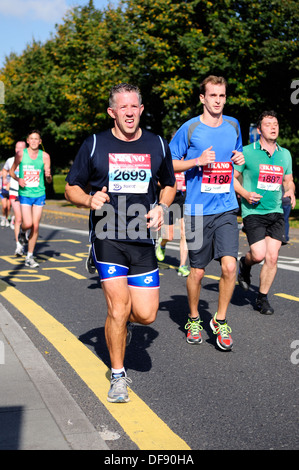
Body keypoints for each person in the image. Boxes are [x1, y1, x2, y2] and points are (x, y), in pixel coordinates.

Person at [65, 83, 176, 403]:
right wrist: (89, 200)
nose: (129, 112)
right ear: (112, 112)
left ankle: (122, 327)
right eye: (122, 107)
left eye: (134, 107)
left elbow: (168, 184)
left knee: (147, 314)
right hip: (107, 236)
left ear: (141, 109)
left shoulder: (157, 143)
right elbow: (71, 187)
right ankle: (117, 375)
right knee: (118, 307)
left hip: (142, 240)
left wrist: (162, 207)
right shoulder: (95, 143)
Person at [170, 75, 245, 351]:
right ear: (202, 98)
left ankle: (220, 320)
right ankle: (193, 318)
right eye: (213, 95)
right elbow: (170, 163)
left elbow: (236, 159)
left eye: (222, 96)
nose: (218, 101)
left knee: (229, 266)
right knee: (198, 272)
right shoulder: (189, 129)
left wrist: (239, 159)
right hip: (197, 209)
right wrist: (197, 161)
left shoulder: (234, 125)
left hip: (226, 207)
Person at [234, 110, 296, 315]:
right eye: (268, 124)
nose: (273, 127)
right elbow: (232, 178)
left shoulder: (284, 154)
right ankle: (245, 263)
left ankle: (262, 298)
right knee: (258, 255)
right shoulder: (247, 152)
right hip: (253, 211)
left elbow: (288, 180)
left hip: (276, 210)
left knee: (272, 257)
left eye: (275, 123)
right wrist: (245, 193)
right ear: (259, 129)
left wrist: (290, 190)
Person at [9, 130, 52, 268]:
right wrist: (18, 178)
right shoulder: (21, 154)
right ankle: (22, 233)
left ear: (40, 142)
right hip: (25, 194)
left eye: (36, 139)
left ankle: (30, 256)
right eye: (31, 139)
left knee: (35, 225)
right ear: (28, 140)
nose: (34, 141)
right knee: (27, 223)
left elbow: (49, 180)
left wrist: (48, 176)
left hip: (39, 194)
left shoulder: (45, 156)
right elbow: (11, 171)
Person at [155, 171, 190, 277]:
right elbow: (156, 179)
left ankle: (182, 266)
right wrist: (171, 184)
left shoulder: (189, 159)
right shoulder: (169, 159)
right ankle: (162, 243)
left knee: (185, 233)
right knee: (169, 236)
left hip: (184, 197)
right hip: (170, 197)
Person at [3, 141, 26, 256]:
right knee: (19, 218)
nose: (18, 150)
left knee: (27, 221)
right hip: (14, 191)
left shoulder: (30, 160)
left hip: (27, 192)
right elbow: (5, 170)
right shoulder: (10, 160)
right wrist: (5, 180)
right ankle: (19, 246)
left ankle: (23, 235)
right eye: (17, 148)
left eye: (21, 148)